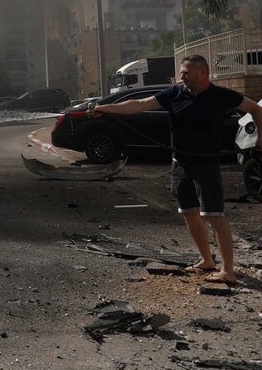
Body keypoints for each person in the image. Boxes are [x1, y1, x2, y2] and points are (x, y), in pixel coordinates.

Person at [88, 54, 262, 286]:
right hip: (179, 162)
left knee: (214, 216)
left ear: (202, 73)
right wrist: (106, 108)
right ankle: (206, 260)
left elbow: (255, 109)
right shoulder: (174, 93)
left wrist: (261, 138)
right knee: (189, 212)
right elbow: (140, 104)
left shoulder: (222, 96)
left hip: (206, 163)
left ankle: (227, 270)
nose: (181, 75)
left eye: (186, 72)